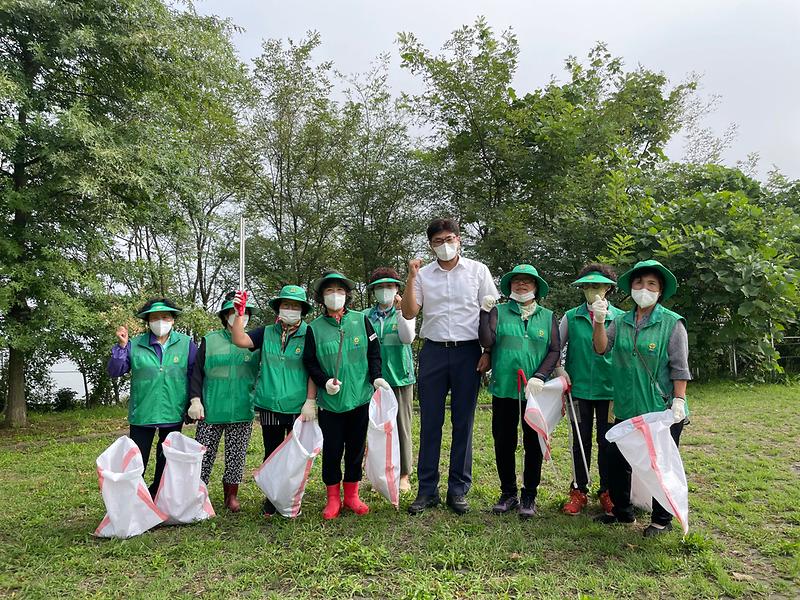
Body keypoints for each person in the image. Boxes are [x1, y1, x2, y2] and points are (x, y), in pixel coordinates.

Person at [401, 218, 499, 515]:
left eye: (449, 239)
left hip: (468, 352)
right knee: (430, 422)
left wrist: (488, 352)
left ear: (459, 239)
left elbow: (491, 312)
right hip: (432, 351)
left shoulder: (478, 270)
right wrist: (410, 276)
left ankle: (458, 490)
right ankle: (427, 490)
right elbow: (408, 311)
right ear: (431, 245)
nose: (445, 245)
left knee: (463, 422)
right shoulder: (423, 275)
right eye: (438, 241)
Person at [592, 259, 691, 536]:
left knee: (660, 464)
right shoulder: (621, 321)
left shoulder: (672, 323)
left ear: (660, 291)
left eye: (651, 284)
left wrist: (679, 401)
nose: (643, 288)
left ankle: (661, 520)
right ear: (631, 287)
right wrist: (599, 322)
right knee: (616, 458)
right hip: (626, 404)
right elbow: (601, 348)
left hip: (661, 409)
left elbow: (679, 367)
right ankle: (623, 512)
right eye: (639, 283)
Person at [302, 270, 387, 519]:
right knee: (332, 450)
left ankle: (351, 495)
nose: (335, 295)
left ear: (347, 295)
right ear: (321, 297)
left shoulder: (362, 320)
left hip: (359, 398)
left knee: (355, 449)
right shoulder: (314, 329)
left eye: (340, 291)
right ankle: (332, 498)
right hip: (331, 403)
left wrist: (376, 376)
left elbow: (374, 352)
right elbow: (310, 362)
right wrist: (324, 382)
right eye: (330, 291)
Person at [478, 264, 559, 518]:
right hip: (504, 388)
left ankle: (529, 495)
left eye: (527, 281)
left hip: (535, 392)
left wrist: (540, 375)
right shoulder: (499, 312)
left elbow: (554, 350)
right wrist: (484, 313)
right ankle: (508, 492)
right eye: (516, 281)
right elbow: (486, 341)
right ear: (510, 286)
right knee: (504, 441)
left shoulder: (548, 316)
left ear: (536, 287)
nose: (521, 285)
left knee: (532, 443)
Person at [229, 284, 317, 518]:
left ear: (302, 310)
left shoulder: (310, 334)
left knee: (295, 454)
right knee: (272, 452)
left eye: (295, 306)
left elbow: (313, 369)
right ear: (278, 309)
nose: (290, 309)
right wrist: (239, 315)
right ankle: (271, 497)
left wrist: (311, 400)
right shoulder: (266, 332)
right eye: (285, 305)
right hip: (269, 403)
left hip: (298, 406)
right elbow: (240, 340)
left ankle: (289, 496)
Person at [108, 298, 197, 496]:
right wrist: (121, 347)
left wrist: (193, 402)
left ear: (173, 320)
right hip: (143, 412)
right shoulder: (135, 344)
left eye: (165, 317)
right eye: (155, 318)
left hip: (173, 410)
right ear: (147, 321)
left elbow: (194, 375)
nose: (160, 321)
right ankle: (134, 497)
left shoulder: (186, 344)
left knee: (167, 458)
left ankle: (159, 494)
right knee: (137, 459)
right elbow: (115, 371)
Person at [558, 264, 625, 516]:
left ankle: (608, 491)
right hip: (579, 390)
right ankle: (579, 489)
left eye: (596, 286)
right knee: (580, 440)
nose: (591, 291)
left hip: (610, 390)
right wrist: (559, 370)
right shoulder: (571, 316)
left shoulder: (620, 317)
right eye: (586, 286)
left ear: (608, 288)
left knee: (608, 441)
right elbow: (556, 347)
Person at [188, 292, 260, 513]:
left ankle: (231, 495)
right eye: (233, 312)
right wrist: (195, 399)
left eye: (243, 313)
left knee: (236, 456)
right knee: (204, 455)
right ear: (225, 316)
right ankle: (197, 494)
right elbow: (196, 373)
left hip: (241, 408)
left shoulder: (253, 342)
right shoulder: (210, 340)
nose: (239, 316)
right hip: (211, 409)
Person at [364, 267, 417, 493]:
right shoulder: (365, 316)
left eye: (389, 286)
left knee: (402, 427)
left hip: (400, 378)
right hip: (373, 380)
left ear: (397, 289)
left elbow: (408, 337)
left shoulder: (405, 312)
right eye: (380, 287)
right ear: (373, 291)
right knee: (376, 429)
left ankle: (404, 474)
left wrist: (400, 310)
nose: (384, 291)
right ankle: (380, 473)